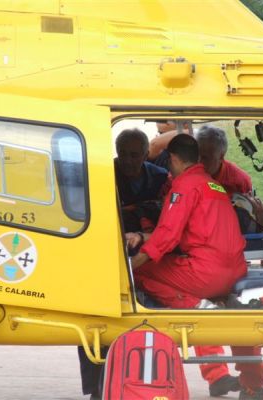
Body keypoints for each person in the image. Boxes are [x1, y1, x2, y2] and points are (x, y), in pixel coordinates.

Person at [126, 134, 263, 400]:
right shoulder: (214, 186)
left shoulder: (183, 186)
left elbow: (168, 236)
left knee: (141, 272)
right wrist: (144, 235)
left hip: (206, 274)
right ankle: (253, 387)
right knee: (239, 323)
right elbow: (190, 231)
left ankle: (196, 305)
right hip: (234, 272)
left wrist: (131, 265)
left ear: (173, 159)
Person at [78, 128, 168, 400]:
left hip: (150, 257)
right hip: (105, 254)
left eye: (135, 155)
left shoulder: (161, 177)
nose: (128, 160)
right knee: (95, 322)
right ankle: (96, 388)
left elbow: (169, 217)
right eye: (123, 154)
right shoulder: (102, 174)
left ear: (146, 153)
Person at [195, 125, 252, 196]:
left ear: (221, 157)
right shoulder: (187, 171)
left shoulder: (240, 182)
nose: (198, 162)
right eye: (196, 154)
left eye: (205, 157)